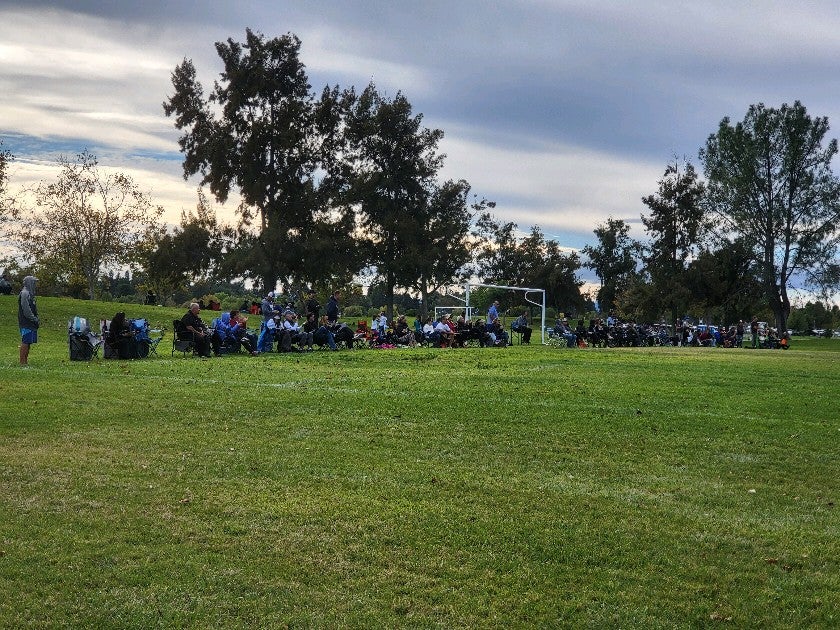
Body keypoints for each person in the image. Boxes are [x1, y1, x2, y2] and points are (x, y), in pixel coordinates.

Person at [18, 275, 39, 365]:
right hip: (26, 322)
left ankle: (25, 361)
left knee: (29, 341)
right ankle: (22, 362)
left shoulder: (30, 294)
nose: (35, 284)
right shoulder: (24, 293)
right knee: (25, 341)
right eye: (34, 282)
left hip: (31, 322)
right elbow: (26, 310)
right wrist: (34, 319)